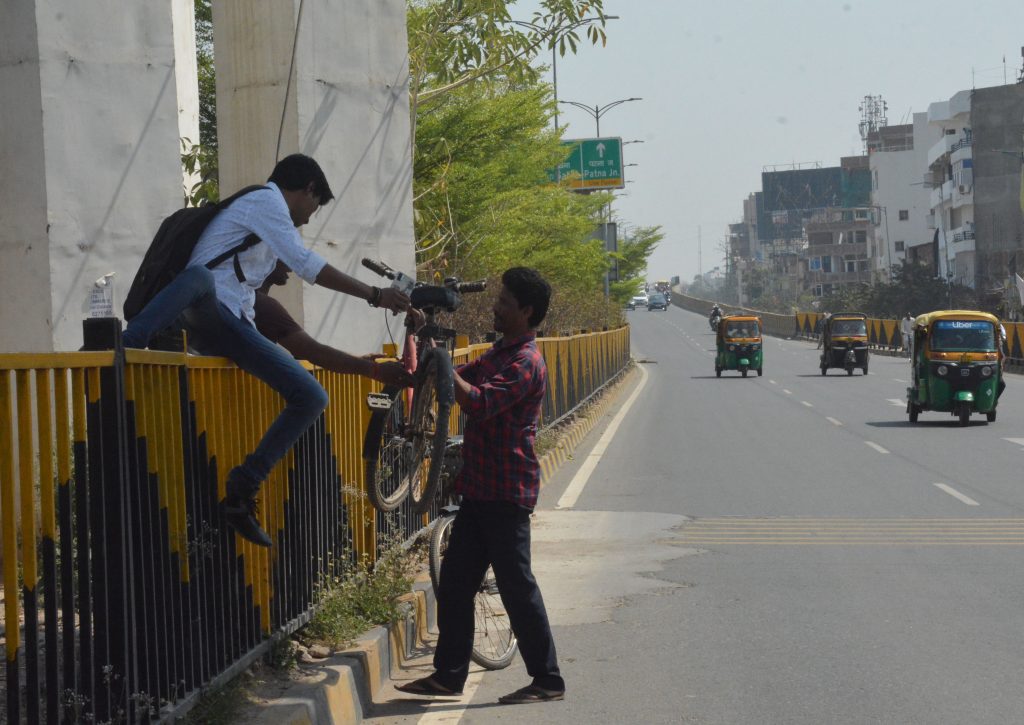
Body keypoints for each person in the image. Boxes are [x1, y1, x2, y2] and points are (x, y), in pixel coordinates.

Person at [122, 154, 410, 547]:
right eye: (313, 207)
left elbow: (307, 346)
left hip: (232, 322)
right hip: (204, 306)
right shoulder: (266, 202)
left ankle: (241, 491)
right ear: (309, 188)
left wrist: (368, 369)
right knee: (201, 276)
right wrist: (375, 294)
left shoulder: (256, 296)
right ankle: (127, 344)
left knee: (311, 396)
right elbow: (307, 264)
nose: (307, 220)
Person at [396, 268, 564, 705]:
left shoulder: (526, 362)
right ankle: (448, 677)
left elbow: (481, 401)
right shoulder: (501, 351)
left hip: (507, 492)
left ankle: (548, 679)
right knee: (454, 582)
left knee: (516, 587)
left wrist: (447, 367)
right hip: (480, 491)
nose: (496, 306)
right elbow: (457, 376)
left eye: (505, 302)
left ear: (527, 312)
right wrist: (429, 351)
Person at [254, 260, 413, 386]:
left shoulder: (256, 301)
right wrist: (375, 370)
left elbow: (307, 353)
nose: (290, 266)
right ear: (263, 257)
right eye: (282, 256)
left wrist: (360, 360)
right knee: (314, 399)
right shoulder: (262, 305)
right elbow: (312, 351)